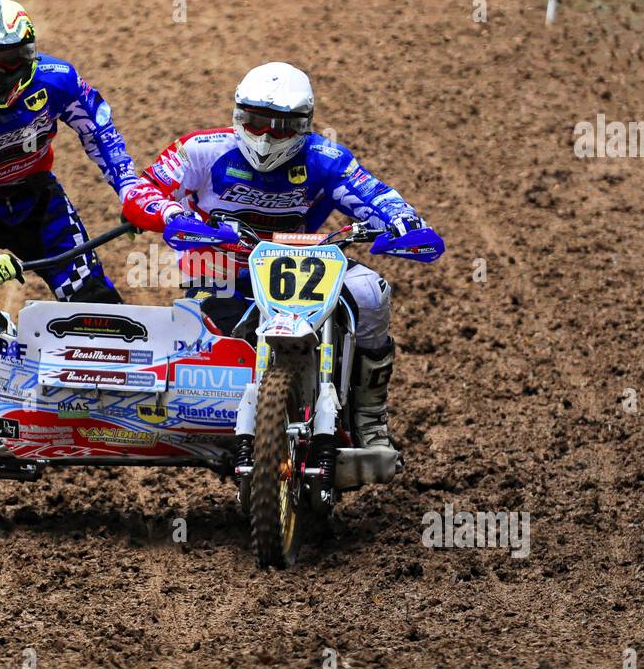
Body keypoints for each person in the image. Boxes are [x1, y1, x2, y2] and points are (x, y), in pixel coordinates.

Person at [121, 61, 437, 451]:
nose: (267, 136)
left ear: (303, 124)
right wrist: (175, 215)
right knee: (209, 341)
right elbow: (140, 190)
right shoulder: (201, 149)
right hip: (224, 265)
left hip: (305, 265)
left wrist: (404, 220)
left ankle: (370, 413)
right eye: (255, 121)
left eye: (281, 126)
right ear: (238, 115)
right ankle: (205, 415)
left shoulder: (327, 158)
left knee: (371, 291)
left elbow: (374, 195)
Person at [0, 0, 151, 441]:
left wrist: (131, 189)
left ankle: (121, 389)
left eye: (9, 62)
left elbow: (100, 132)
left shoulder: (58, 80)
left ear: (29, 56)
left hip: (36, 199)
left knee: (90, 295)